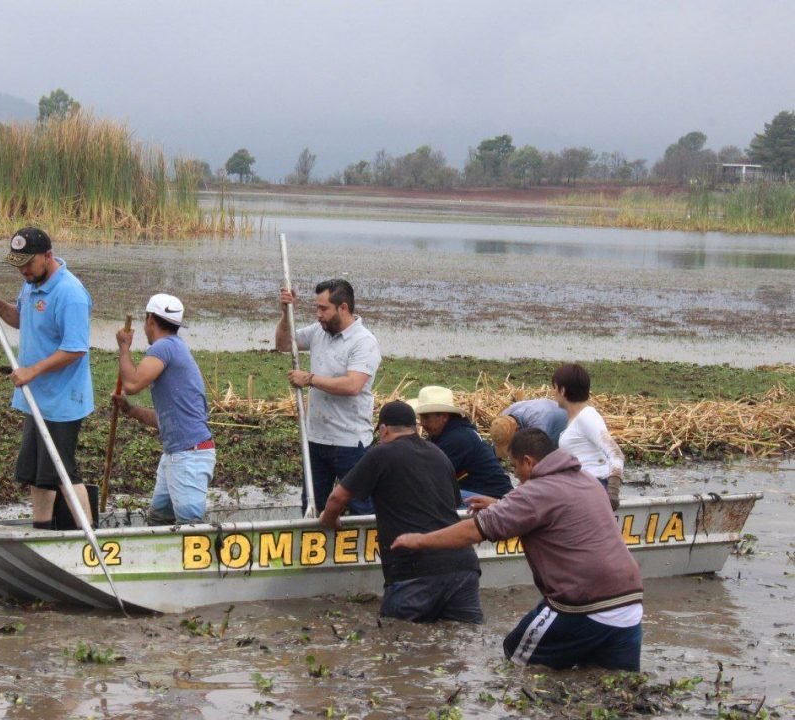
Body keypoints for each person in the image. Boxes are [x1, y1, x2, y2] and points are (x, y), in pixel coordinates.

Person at [392, 428, 644, 671]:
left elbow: (473, 531)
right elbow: (548, 511)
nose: (516, 476)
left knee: (514, 663)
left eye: (514, 468)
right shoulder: (587, 481)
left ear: (528, 461)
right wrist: (502, 505)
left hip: (581, 605)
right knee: (610, 687)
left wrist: (420, 541)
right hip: (629, 605)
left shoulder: (536, 491)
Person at [319, 401, 483, 624]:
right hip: (463, 568)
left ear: (384, 430)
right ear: (415, 428)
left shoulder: (381, 454)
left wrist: (329, 520)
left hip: (413, 572)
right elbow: (452, 504)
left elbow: (337, 498)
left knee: (394, 641)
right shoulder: (439, 454)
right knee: (463, 642)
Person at [0, 226, 94, 531]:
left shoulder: (71, 294)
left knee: (63, 471)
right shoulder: (31, 284)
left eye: (28, 263)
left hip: (63, 399)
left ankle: (90, 535)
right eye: (18, 264)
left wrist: (32, 371)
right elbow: (22, 318)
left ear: (48, 256)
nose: (23, 271)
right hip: (36, 397)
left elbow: (75, 349)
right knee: (37, 473)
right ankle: (41, 530)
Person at [275, 278, 381, 516]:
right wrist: (285, 313)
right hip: (316, 438)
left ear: (343, 307)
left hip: (350, 442)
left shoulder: (364, 342)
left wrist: (310, 379)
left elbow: (353, 385)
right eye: (316, 307)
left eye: (323, 309)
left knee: (361, 507)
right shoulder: (318, 332)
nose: (318, 314)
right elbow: (283, 343)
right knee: (312, 506)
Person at [113, 293, 215, 525]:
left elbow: (132, 384)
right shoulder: (175, 347)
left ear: (150, 320)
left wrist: (124, 347)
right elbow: (166, 420)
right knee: (159, 520)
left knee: (191, 529)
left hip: (189, 456)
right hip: (176, 455)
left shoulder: (164, 348)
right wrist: (130, 410)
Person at [408, 386, 513, 499]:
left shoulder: (458, 439)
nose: (422, 423)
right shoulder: (452, 433)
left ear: (444, 416)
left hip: (492, 497)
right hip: (479, 492)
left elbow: (428, 476)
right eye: (421, 418)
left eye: (426, 417)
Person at [552, 363, 625, 510]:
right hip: (580, 488)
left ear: (563, 390)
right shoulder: (574, 419)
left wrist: (612, 493)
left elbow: (616, 454)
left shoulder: (587, 416)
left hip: (592, 488)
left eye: (554, 388)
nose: (552, 393)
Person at [488, 398, 569, 461]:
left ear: (517, 430)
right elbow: (496, 446)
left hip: (563, 427)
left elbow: (537, 457)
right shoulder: (504, 416)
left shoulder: (538, 422)